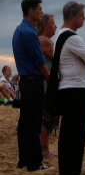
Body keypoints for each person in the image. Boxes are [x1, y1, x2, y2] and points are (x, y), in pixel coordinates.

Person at [56, 1, 85, 175]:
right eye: (81, 14)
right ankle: (71, 171)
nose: (84, 17)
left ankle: (68, 170)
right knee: (76, 132)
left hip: (68, 87)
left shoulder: (61, 35)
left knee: (68, 130)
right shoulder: (72, 37)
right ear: (72, 16)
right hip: (75, 88)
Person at [12, 0, 50, 171]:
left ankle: (24, 160)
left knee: (25, 123)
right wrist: (49, 77)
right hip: (33, 82)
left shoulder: (19, 30)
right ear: (30, 10)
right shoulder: (29, 33)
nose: (41, 12)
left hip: (25, 82)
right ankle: (35, 163)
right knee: (34, 123)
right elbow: (39, 61)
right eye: (39, 9)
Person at [37, 13, 58, 160]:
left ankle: (45, 150)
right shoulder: (45, 41)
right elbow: (57, 60)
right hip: (46, 85)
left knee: (46, 120)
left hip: (44, 84)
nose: (56, 26)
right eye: (53, 23)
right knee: (47, 120)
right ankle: (44, 151)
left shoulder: (42, 40)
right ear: (46, 25)